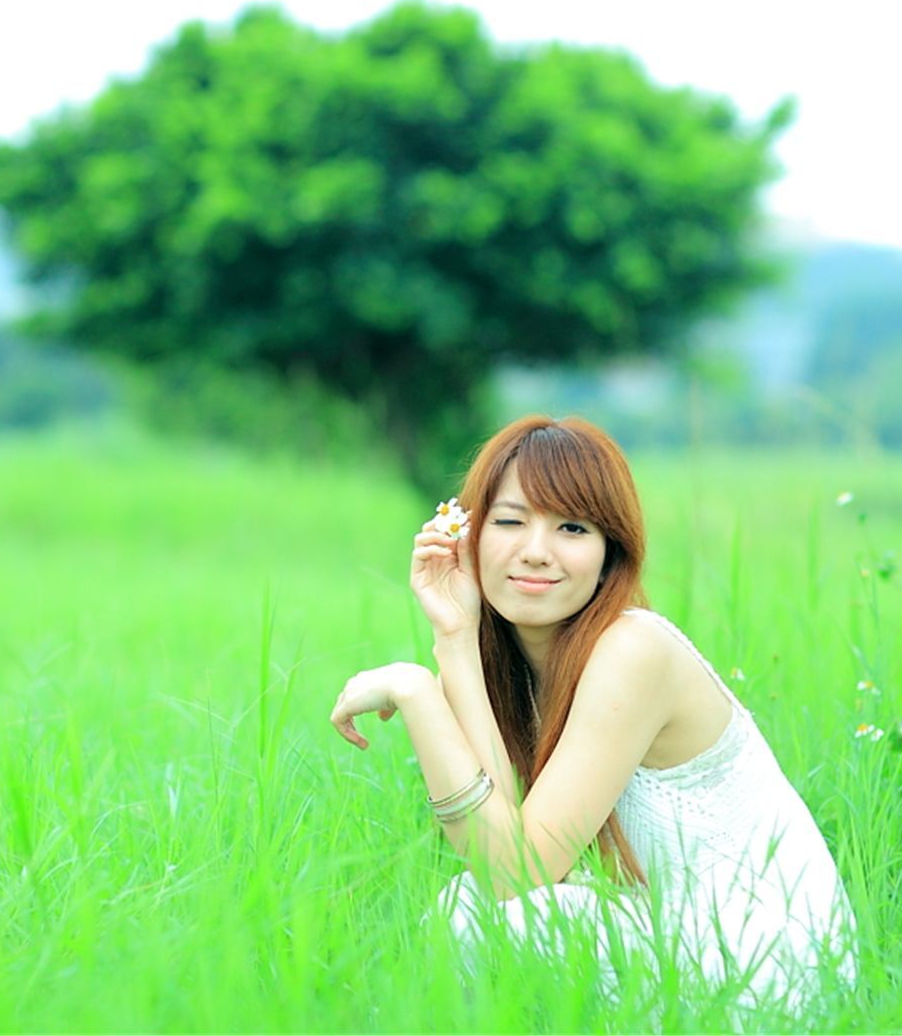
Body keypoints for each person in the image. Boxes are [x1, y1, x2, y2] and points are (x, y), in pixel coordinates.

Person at [329, 414, 857, 1014]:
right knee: (467, 906)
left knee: (491, 920)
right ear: (469, 537)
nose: (535, 552)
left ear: (610, 553)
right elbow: (497, 844)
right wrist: (453, 636)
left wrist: (418, 693)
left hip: (768, 965)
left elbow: (515, 875)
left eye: (572, 528)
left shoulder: (634, 650)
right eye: (509, 521)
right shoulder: (525, 667)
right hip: (676, 933)